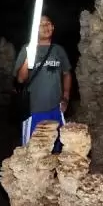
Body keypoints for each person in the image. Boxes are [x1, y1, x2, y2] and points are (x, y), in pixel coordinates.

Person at [13, 15, 72, 149]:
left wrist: (66, 97)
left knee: (58, 150)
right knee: (33, 152)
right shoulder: (27, 49)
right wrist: (29, 57)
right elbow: (20, 79)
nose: (45, 27)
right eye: (41, 24)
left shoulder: (58, 50)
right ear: (35, 29)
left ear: (53, 27)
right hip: (34, 111)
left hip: (56, 109)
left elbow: (67, 73)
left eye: (48, 24)